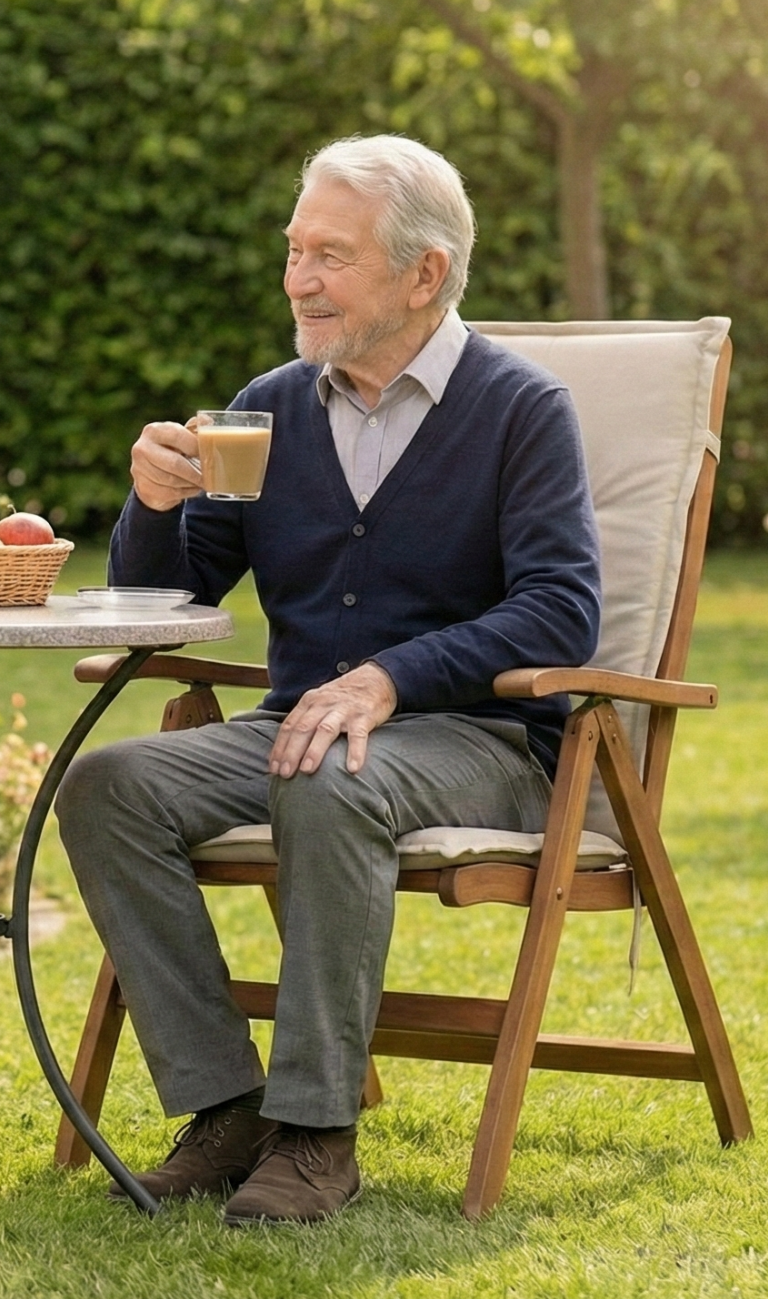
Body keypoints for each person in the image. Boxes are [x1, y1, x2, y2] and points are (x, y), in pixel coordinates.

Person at [56, 134, 603, 1226]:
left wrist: (389, 679)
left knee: (329, 775)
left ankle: (315, 1135)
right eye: (294, 247)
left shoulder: (519, 411)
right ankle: (226, 1107)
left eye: (331, 254)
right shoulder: (268, 406)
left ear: (423, 274)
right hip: (302, 726)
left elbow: (560, 610)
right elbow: (164, 605)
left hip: (481, 743)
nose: (299, 277)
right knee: (107, 786)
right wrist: (153, 506)